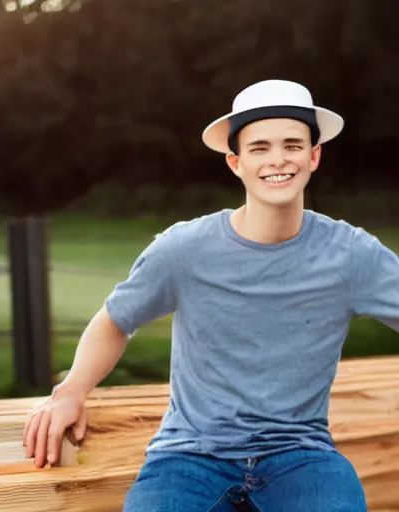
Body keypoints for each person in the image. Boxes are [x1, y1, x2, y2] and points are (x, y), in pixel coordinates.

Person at [23, 79, 399, 511]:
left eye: (292, 145)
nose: (278, 160)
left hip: (302, 457)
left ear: (314, 156)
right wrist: (71, 390)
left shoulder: (351, 254)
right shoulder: (184, 250)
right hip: (189, 456)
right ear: (235, 162)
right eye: (260, 148)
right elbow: (115, 320)